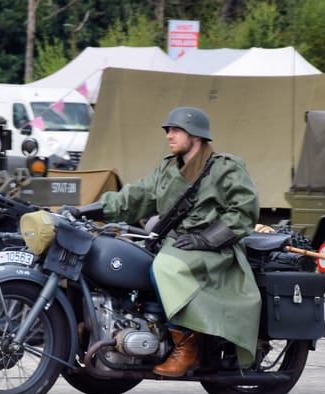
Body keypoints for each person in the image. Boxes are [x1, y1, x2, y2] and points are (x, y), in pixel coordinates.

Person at [70, 106, 261, 376]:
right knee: (118, 260)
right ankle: (109, 325)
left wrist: (205, 239)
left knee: (164, 268)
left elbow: (243, 212)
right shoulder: (167, 169)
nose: (169, 135)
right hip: (174, 244)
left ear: (196, 135)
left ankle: (186, 343)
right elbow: (132, 199)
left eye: (176, 130)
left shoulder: (225, 169)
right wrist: (83, 210)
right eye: (168, 130)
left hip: (216, 250)